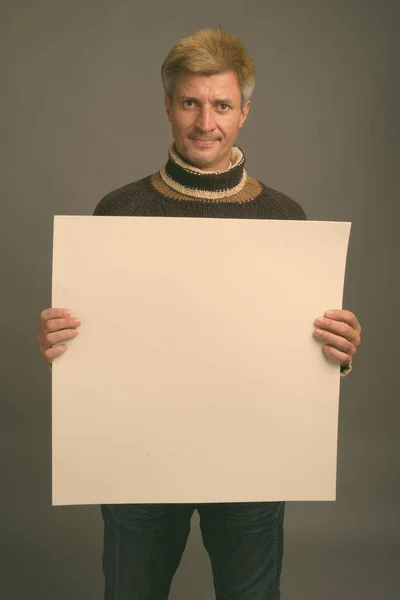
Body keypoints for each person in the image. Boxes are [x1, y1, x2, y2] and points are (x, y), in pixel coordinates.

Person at [36, 27, 362, 600]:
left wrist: (336, 352)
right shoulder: (116, 213)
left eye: (221, 105)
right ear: (167, 105)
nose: (205, 122)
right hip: (137, 459)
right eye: (190, 102)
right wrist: (62, 343)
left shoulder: (286, 218)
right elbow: (98, 344)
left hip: (253, 460)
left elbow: (295, 351)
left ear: (245, 113)